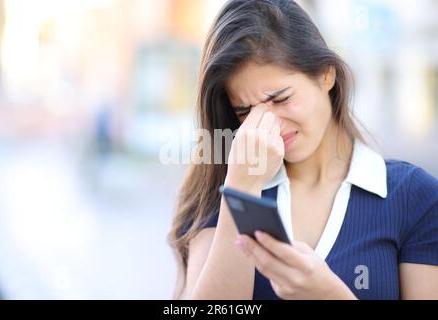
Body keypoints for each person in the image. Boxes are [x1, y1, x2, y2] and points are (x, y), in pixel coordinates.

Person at [167, 0, 438, 300]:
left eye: (280, 99)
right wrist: (242, 189)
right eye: (245, 111)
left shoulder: (413, 197)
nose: (266, 125)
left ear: (326, 74)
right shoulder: (222, 190)